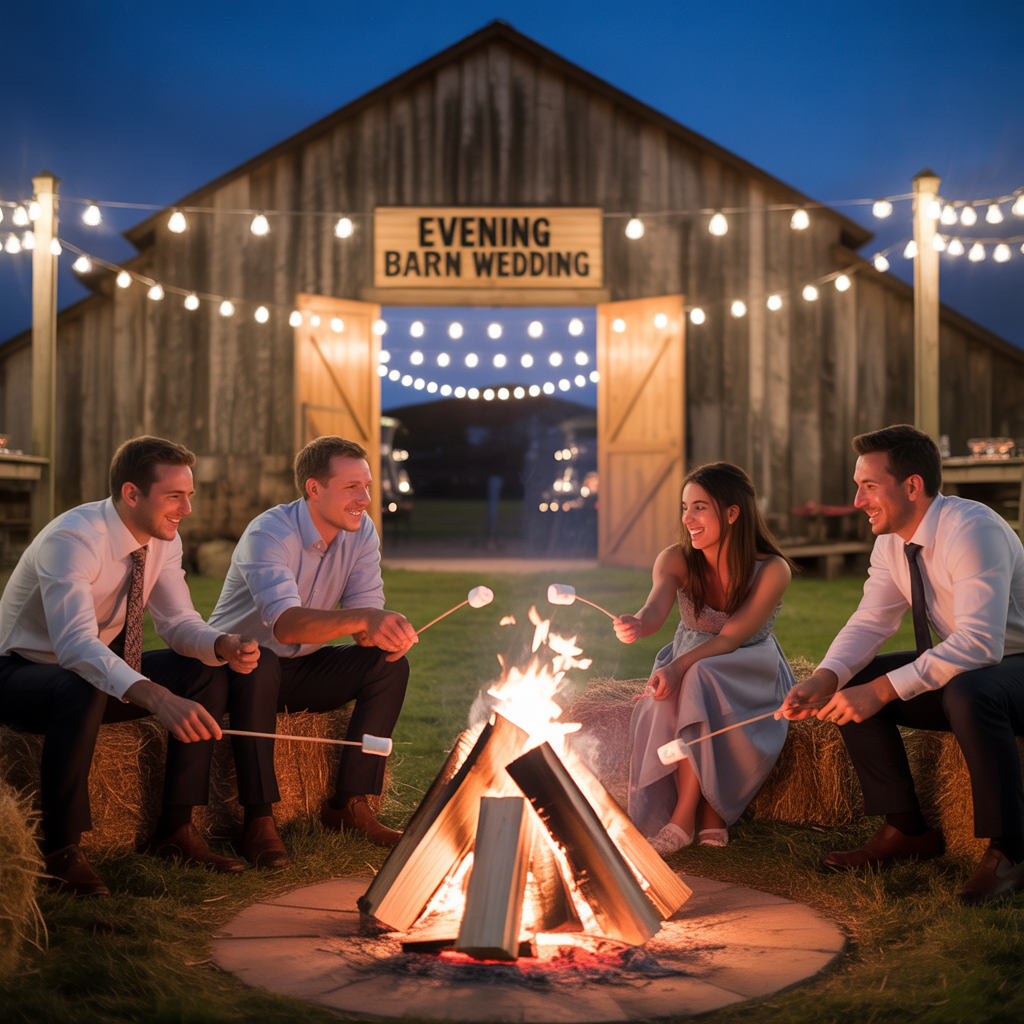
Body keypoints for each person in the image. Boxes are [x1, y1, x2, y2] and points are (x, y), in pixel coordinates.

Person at [0, 436, 260, 896]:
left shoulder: (163, 539)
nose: (186, 509)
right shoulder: (73, 539)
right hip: (20, 673)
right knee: (81, 684)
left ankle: (175, 830)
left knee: (203, 671)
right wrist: (157, 697)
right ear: (132, 493)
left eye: (188, 495)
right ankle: (60, 850)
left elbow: (177, 621)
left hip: (91, 673)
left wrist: (220, 643)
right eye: (174, 496)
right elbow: (75, 646)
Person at [780, 424, 1024, 904]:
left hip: (1015, 665)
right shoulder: (892, 542)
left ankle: (1011, 850)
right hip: (979, 669)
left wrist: (881, 692)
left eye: (869, 486)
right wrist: (826, 678)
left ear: (912, 486)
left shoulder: (973, 530)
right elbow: (871, 621)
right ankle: (907, 829)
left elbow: (981, 644)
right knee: (857, 677)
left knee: (966, 691)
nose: (858, 500)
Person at [209, 436, 417, 866]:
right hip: (234, 670)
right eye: (351, 488)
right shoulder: (269, 533)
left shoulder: (361, 532)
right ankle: (258, 819)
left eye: (366, 486)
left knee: (388, 665)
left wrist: (383, 633)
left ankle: (349, 803)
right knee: (261, 661)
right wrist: (365, 619)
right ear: (314, 488)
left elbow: (364, 623)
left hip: (298, 669)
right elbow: (286, 625)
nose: (365, 499)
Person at [619, 462, 795, 853]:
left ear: (732, 513)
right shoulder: (676, 559)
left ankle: (695, 814)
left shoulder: (772, 569)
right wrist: (638, 623)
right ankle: (695, 814)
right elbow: (655, 610)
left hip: (748, 666)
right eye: (685, 508)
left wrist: (678, 667)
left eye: (699, 508)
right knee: (691, 679)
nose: (687, 519)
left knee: (699, 675)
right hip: (690, 659)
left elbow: (732, 637)